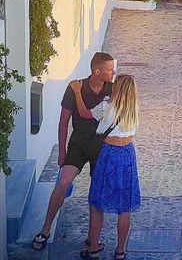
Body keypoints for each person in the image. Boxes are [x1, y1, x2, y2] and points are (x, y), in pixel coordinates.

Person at [32, 52, 115, 253]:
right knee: (62, 183)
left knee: (96, 194)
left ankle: (91, 239)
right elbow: (63, 122)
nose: (113, 72)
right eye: (110, 69)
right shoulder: (75, 87)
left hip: (101, 146)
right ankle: (45, 229)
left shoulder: (114, 89)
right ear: (97, 71)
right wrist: (62, 151)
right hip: (78, 144)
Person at [72, 74, 141, 260]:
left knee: (97, 203)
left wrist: (78, 93)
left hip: (108, 153)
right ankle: (120, 251)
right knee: (124, 207)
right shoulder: (134, 109)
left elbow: (84, 113)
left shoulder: (105, 106)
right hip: (127, 154)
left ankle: (93, 249)